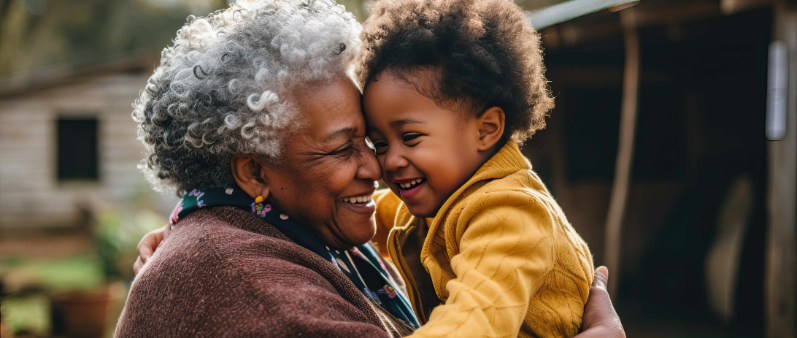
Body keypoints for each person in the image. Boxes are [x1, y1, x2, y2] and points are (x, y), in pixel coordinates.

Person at [123, 0, 625, 337]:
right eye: (347, 147)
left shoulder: (504, 212)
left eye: (375, 141)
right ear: (253, 175)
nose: (376, 166)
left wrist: (185, 223)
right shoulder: (248, 279)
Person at [355, 0, 593, 336]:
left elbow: (474, 321)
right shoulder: (444, 199)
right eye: (379, 145)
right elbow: (373, 213)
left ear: (486, 129)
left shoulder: (510, 214)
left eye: (410, 137)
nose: (389, 161)